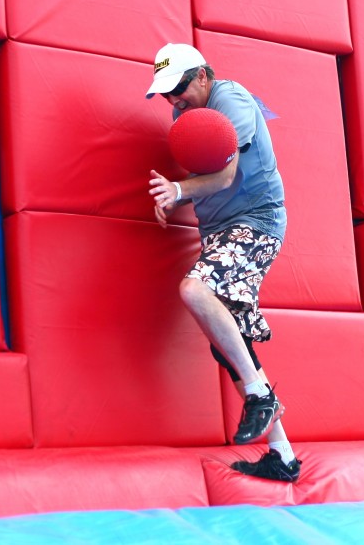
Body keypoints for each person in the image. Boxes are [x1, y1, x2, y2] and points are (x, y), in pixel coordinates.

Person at [146, 42, 301, 483]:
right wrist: (173, 199)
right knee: (227, 343)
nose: (173, 100)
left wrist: (179, 191)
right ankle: (282, 456)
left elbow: (228, 175)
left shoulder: (228, 99)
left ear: (201, 76)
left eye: (178, 87)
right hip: (221, 232)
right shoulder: (186, 117)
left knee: (195, 290)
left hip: (257, 221)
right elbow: (205, 181)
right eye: (165, 93)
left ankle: (259, 396)